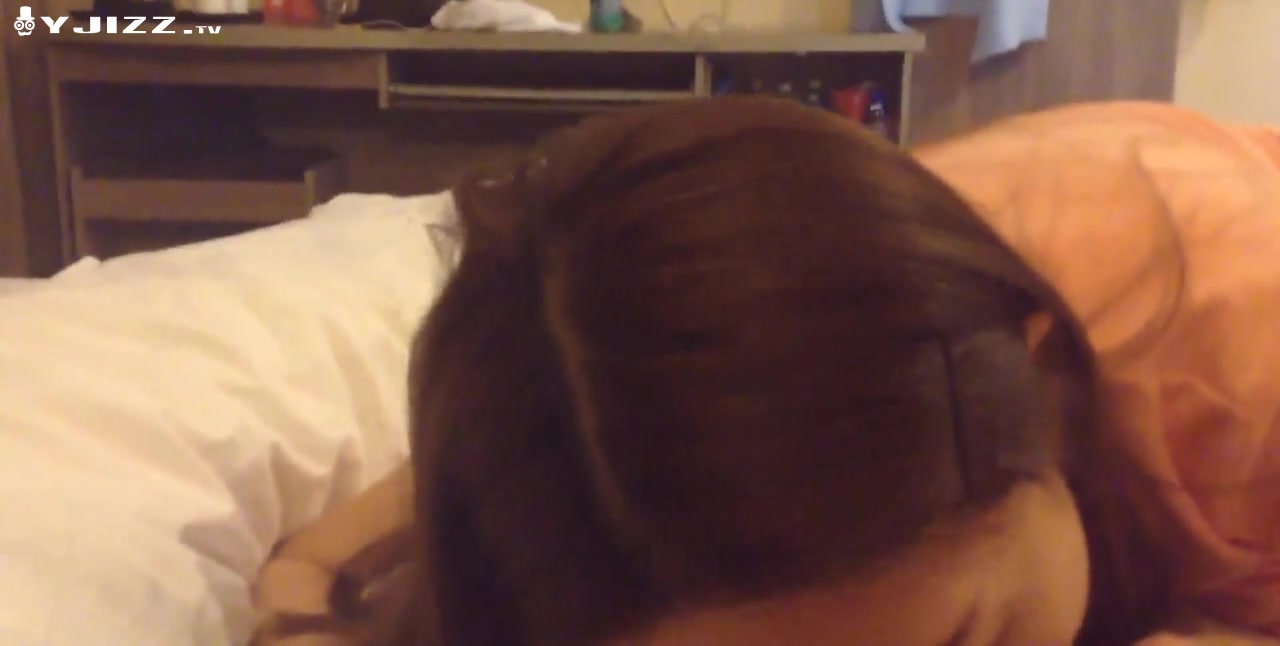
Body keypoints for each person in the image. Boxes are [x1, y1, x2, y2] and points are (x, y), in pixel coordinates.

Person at [251, 97, 1280, 645]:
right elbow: (562, 462)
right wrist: (306, 592)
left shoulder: (1236, 352)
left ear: (1042, 399)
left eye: (980, 640)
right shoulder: (751, 349)